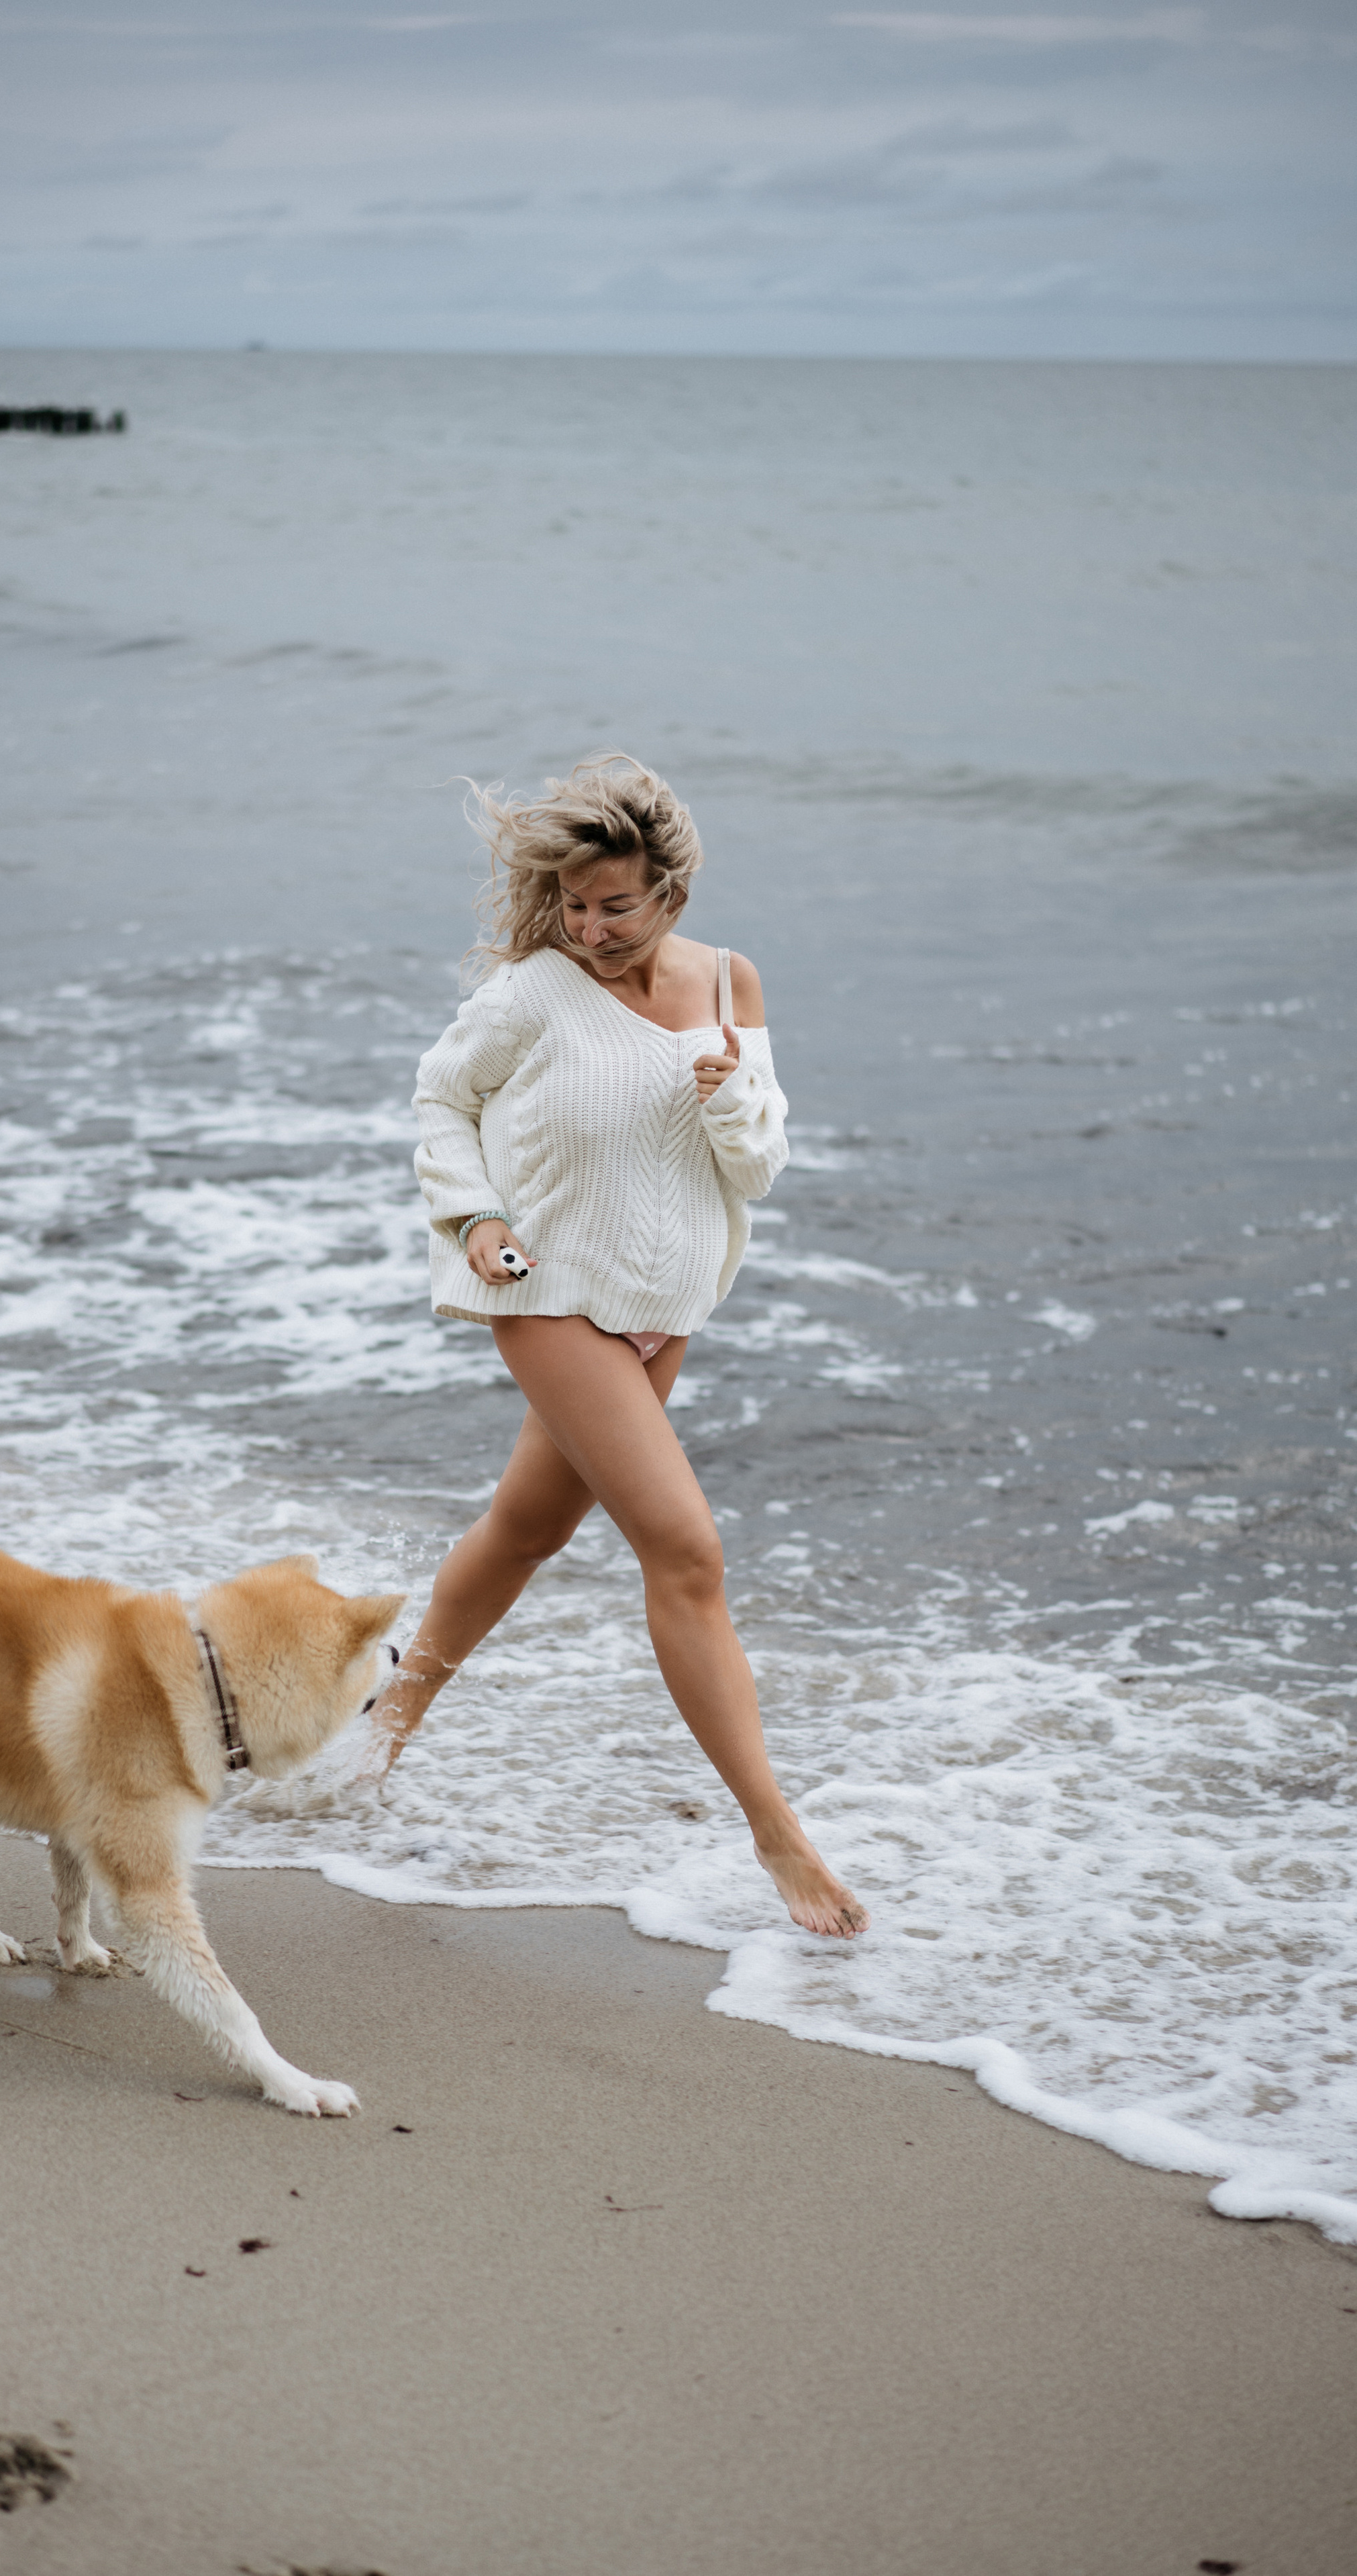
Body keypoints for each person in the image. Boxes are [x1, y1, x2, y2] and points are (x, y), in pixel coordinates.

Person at [363, 754, 868, 1940]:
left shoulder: (732, 987)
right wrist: (476, 1217)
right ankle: (778, 1835)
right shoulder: (533, 990)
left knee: (525, 1528)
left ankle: (374, 1736)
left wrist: (729, 1093)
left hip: (665, 1303)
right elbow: (441, 1097)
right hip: (551, 1288)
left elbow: (758, 1165)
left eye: (614, 906)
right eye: (575, 904)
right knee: (688, 1551)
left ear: (671, 896)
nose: (589, 926)